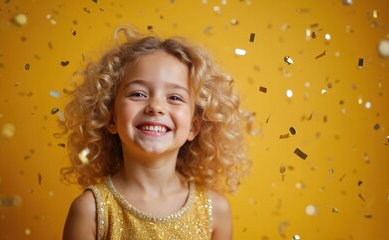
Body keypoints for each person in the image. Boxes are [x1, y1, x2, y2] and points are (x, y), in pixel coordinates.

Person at [60, 24, 252, 240]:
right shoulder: (90, 211)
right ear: (110, 117)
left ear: (193, 127)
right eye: (138, 94)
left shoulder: (215, 211)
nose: (155, 106)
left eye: (175, 97)